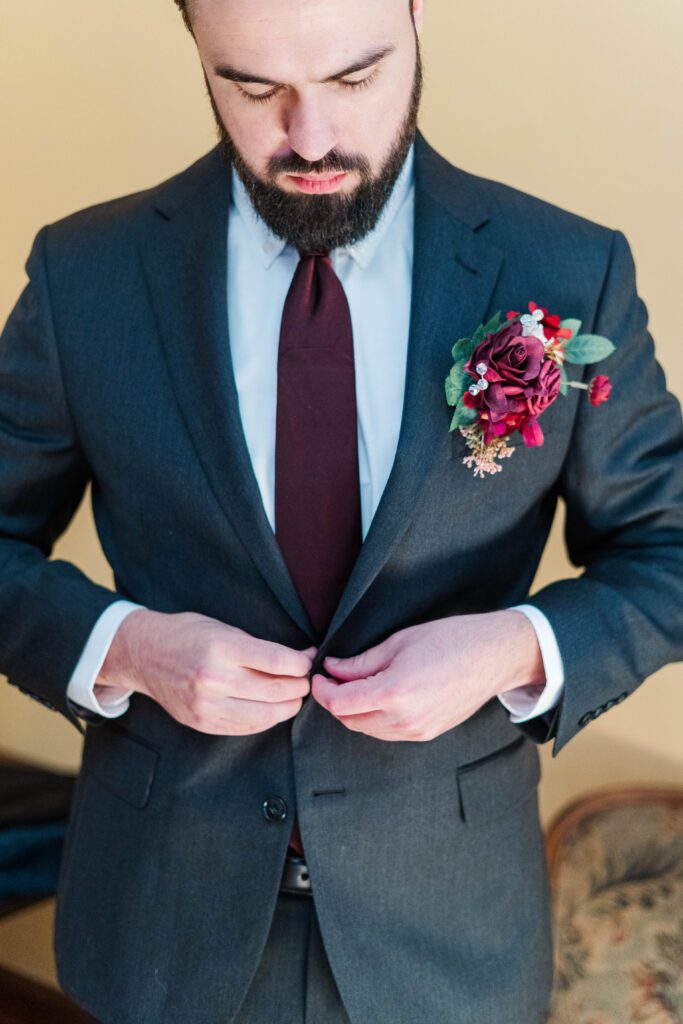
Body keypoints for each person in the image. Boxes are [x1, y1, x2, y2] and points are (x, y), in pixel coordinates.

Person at [1, 0, 682, 1021]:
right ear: (194, 46)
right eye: (251, 87)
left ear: (417, 17)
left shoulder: (563, 271)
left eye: (353, 79)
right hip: (156, 933)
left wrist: (510, 648)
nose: (308, 138)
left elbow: (665, 547)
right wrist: (127, 647)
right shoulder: (83, 274)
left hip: (447, 944)